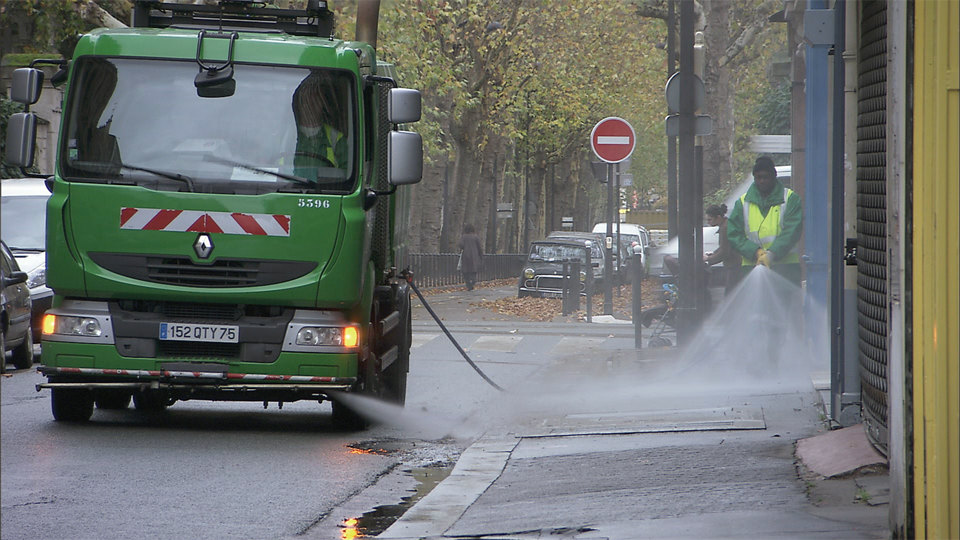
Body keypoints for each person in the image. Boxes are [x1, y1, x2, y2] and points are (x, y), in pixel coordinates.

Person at [726, 156, 804, 288]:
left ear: (774, 176)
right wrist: (755, 251)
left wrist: (771, 254)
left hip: (786, 270)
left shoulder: (790, 199)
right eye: (758, 178)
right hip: (752, 268)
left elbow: (792, 231)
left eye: (765, 177)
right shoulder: (743, 203)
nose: (762, 181)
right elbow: (734, 234)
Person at [290, 71, 348, 180]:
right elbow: (264, 164)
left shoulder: (337, 138)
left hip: (326, 194)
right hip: (286, 190)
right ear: (298, 104)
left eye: (315, 99)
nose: (310, 105)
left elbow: (348, 176)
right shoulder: (284, 136)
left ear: (323, 104)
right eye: (306, 100)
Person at [702, 203, 741, 295]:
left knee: (730, 295)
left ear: (718, 217)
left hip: (735, 265)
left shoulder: (725, 228)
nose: (708, 222)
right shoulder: (727, 224)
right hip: (736, 264)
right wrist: (713, 253)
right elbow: (725, 247)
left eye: (710, 219)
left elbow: (724, 252)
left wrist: (708, 259)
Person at [457, 224, 483, 291]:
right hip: (474, 256)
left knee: (466, 271)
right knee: (473, 271)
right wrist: (481, 255)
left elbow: (461, 245)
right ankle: (473, 282)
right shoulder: (476, 237)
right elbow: (480, 247)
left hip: (465, 256)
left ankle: (468, 284)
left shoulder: (463, 237)